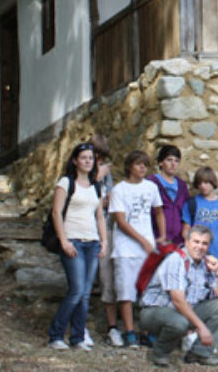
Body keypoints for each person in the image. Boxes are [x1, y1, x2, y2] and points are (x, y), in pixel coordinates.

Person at [139, 225, 218, 367]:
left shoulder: (206, 264)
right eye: (196, 242)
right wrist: (201, 327)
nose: (199, 247)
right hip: (155, 311)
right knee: (179, 322)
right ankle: (159, 353)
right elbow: (178, 300)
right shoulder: (176, 260)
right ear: (187, 242)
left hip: (185, 311)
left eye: (204, 243)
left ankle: (200, 353)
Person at [47, 142, 107, 351]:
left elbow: (100, 216)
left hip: (92, 243)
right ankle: (56, 335)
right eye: (83, 158)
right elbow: (56, 213)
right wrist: (64, 241)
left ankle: (78, 337)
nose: (87, 161)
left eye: (90, 158)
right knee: (76, 290)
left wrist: (104, 241)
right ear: (75, 161)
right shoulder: (66, 183)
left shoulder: (97, 186)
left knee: (86, 293)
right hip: (73, 242)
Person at [109, 150, 166, 348]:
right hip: (126, 248)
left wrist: (162, 236)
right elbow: (121, 221)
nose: (143, 168)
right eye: (138, 164)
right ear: (129, 167)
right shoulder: (119, 190)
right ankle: (130, 331)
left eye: (145, 165)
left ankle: (146, 330)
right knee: (126, 290)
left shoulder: (151, 187)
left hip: (147, 248)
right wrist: (142, 240)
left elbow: (159, 212)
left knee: (148, 292)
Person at [181, 166, 218, 347]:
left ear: (213, 182)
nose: (203, 186)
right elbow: (186, 231)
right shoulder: (192, 204)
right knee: (196, 296)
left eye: (206, 182)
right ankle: (197, 335)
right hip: (199, 259)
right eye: (199, 183)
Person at [89, 134, 124, 347]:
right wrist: (95, 178)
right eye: (96, 155)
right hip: (83, 230)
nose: (99, 160)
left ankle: (112, 327)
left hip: (106, 230)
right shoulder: (77, 173)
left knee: (107, 278)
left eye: (102, 156)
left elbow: (109, 199)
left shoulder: (106, 173)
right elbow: (78, 197)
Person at [148, 146, 189, 247]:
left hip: (178, 240)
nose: (173, 164)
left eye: (176, 161)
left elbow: (186, 212)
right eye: (169, 160)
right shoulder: (151, 183)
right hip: (155, 238)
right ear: (161, 162)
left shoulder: (182, 185)